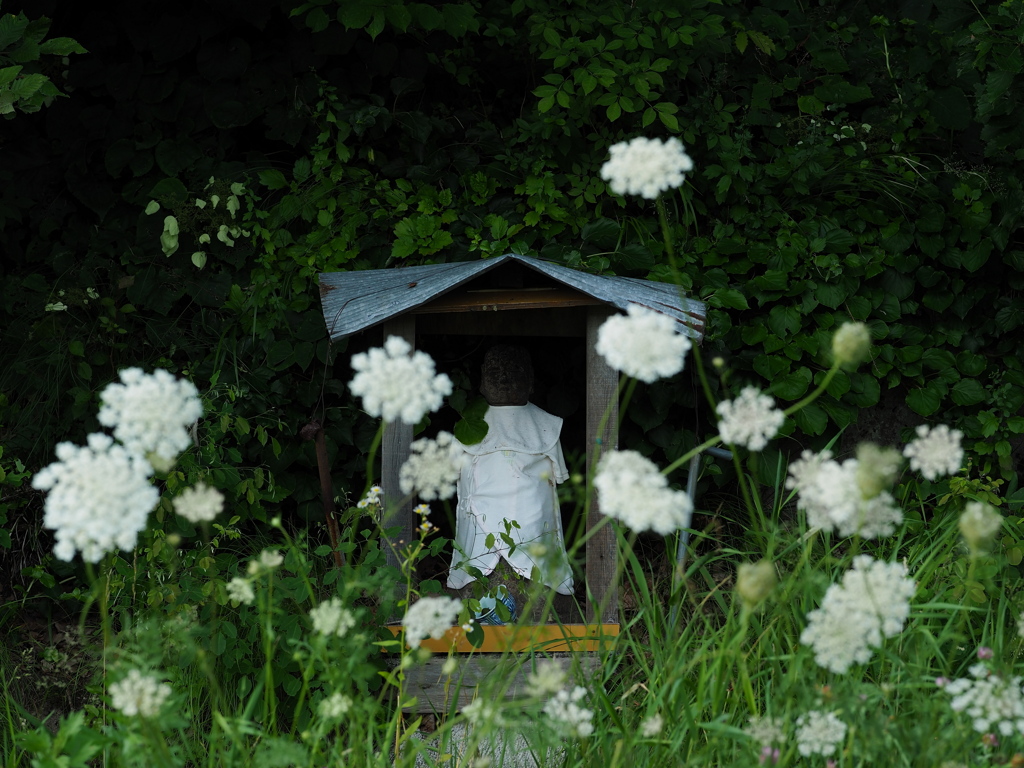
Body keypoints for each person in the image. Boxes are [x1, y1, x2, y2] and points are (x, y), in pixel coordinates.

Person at [447, 345, 574, 605]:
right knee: (475, 545)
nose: (504, 379)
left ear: (530, 381)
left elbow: (556, 477)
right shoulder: (468, 424)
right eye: (495, 372)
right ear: (482, 380)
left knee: (537, 527)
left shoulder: (547, 426)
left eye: (514, 372)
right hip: (478, 513)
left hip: (533, 515)